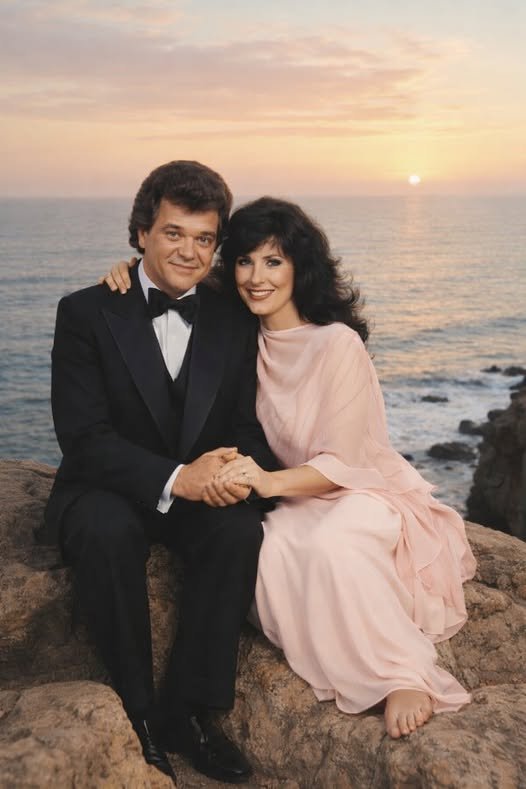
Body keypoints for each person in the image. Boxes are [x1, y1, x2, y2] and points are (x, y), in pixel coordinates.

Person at [103, 197, 477, 740]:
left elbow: (344, 463)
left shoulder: (337, 343)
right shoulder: (237, 336)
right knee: (267, 549)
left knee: (331, 544)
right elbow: (171, 283)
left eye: (273, 262)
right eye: (245, 261)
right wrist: (129, 272)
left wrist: (263, 480)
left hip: (358, 490)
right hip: (289, 496)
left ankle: (403, 675)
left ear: (301, 267)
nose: (257, 278)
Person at [41, 161, 278, 785]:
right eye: (174, 233)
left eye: (204, 239)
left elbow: (246, 422)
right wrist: (179, 477)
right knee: (106, 530)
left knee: (239, 531)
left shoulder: (233, 318)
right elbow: (83, 438)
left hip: (197, 489)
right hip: (106, 487)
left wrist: (234, 471)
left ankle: (189, 713)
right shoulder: (86, 312)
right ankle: (138, 713)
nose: (189, 251)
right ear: (142, 232)